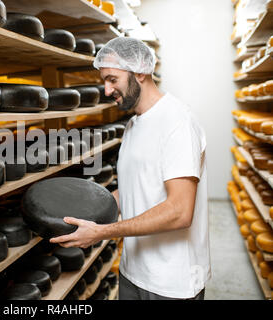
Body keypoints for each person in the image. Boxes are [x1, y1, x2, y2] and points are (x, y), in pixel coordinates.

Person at [50, 37, 210, 300]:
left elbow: (180, 212)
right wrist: (85, 216)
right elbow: (134, 192)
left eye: (113, 79)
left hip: (172, 282)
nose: (106, 90)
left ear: (140, 72)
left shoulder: (178, 122)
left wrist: (101, 233)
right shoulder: (134, 125)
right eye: (104, 80)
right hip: (133, 272)